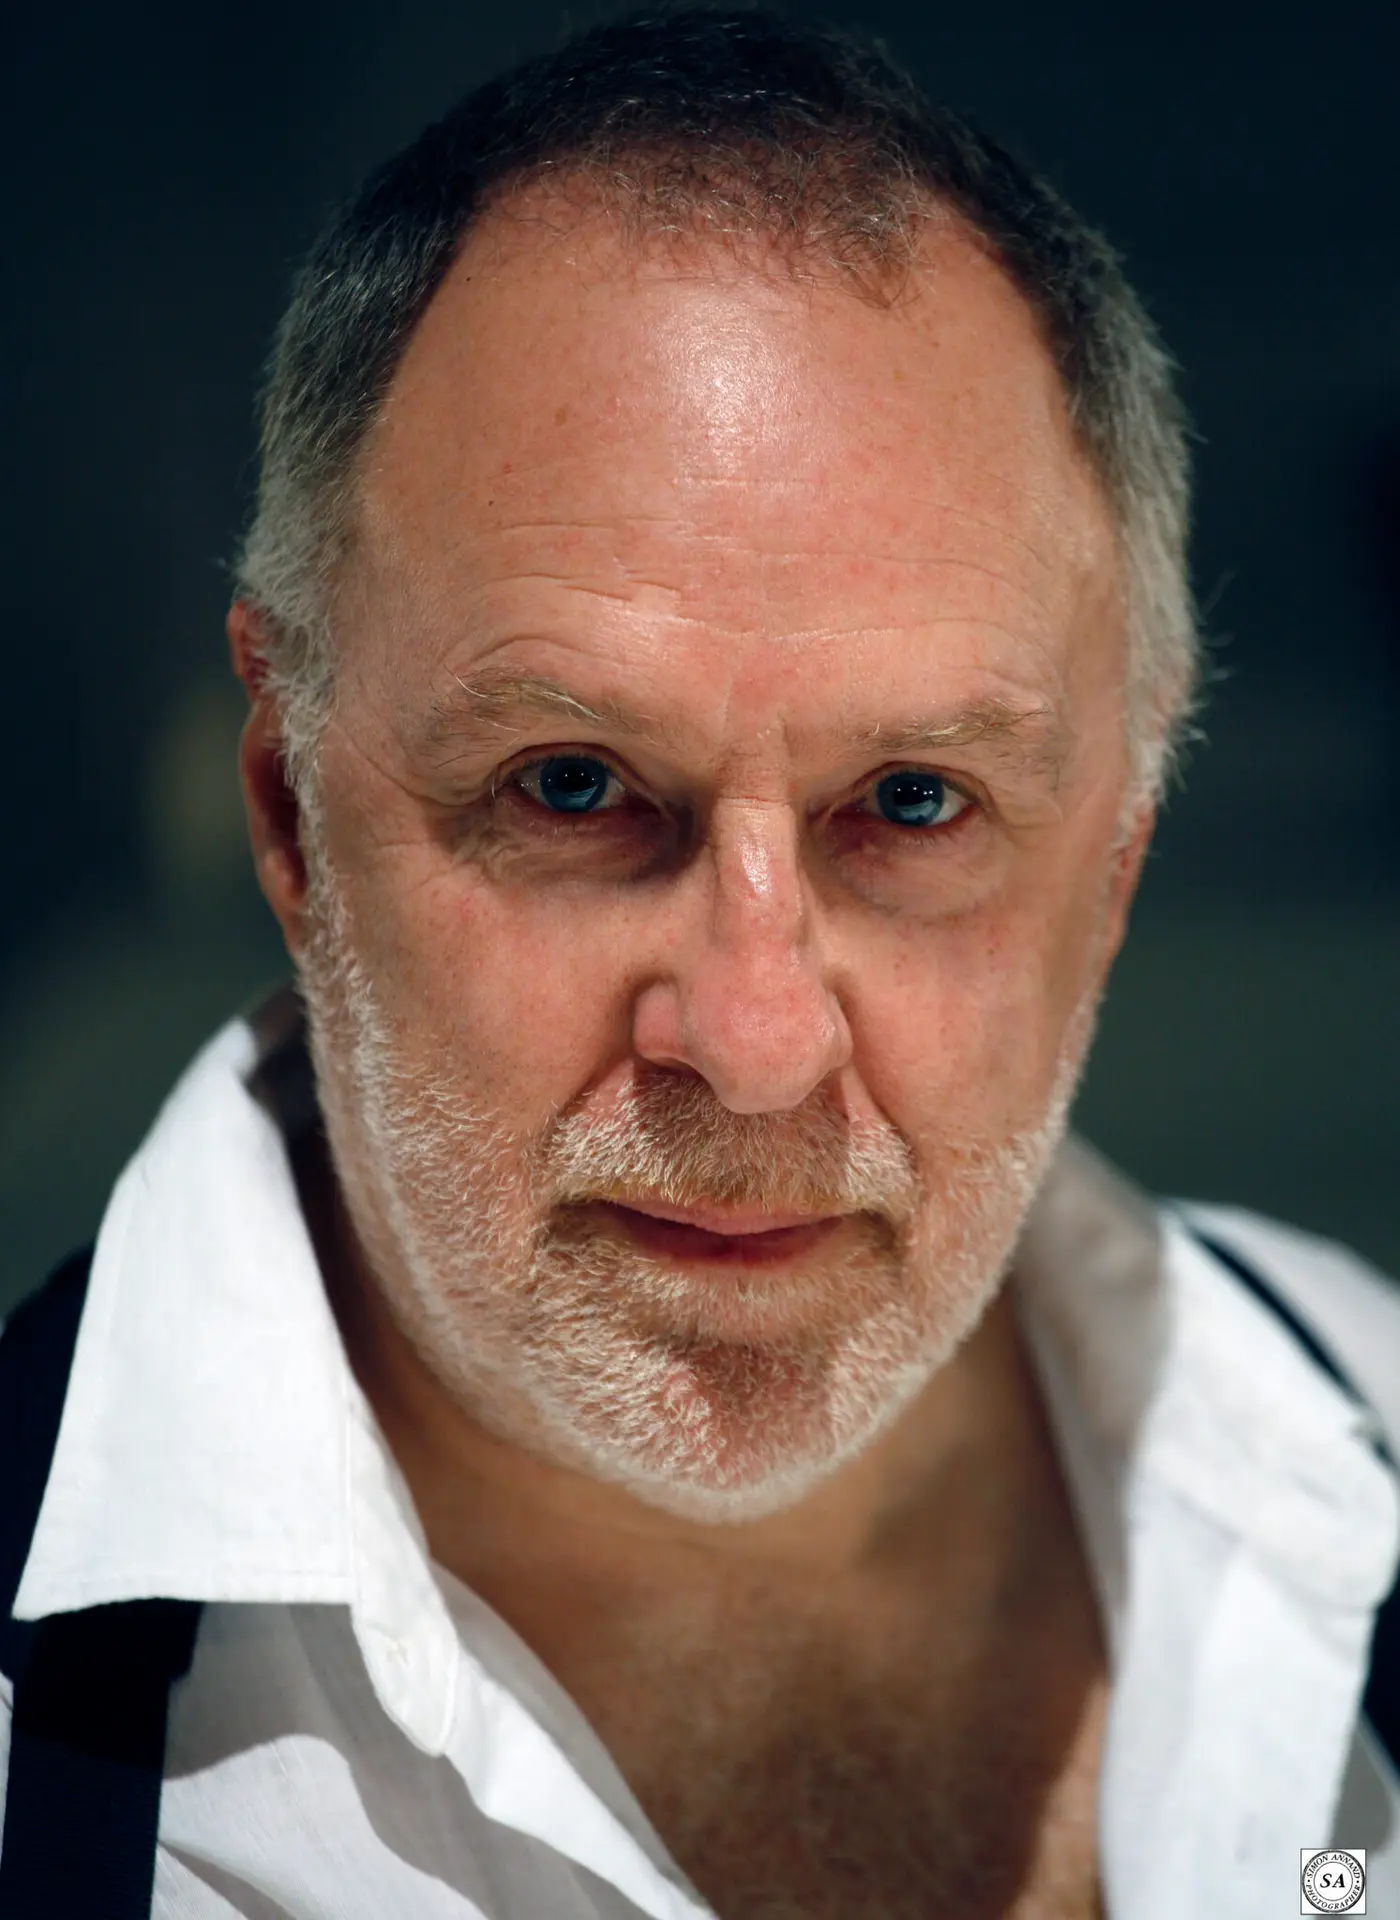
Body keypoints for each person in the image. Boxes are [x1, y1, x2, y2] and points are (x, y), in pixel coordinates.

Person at [1, 9, 1396, 1918]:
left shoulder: (1366, 1442)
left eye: (913, 801)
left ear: (1117, 859)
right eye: (574, 786)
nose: (750, 1039)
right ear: (291, 808)